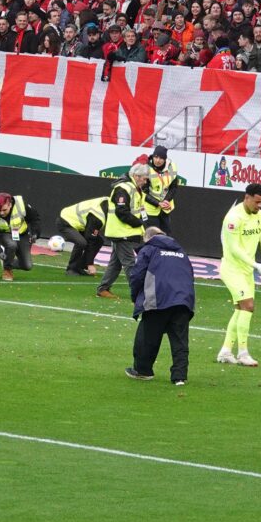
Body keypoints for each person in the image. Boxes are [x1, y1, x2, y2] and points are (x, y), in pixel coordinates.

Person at [125, 225, 194, 385]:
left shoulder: (149, 249)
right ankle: (180, 376)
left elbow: (137, 275)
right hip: (183, 300)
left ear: (147, 238)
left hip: (159, 298)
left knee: (147, 336)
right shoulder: (181, 252)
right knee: (180, 340)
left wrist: (135, 297)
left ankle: (143, 371)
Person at [216, 182, 261, 366]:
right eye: (257, 202)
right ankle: (243, 353)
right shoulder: (233, 218)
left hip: (247, 270)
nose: (259, 206)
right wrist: (256, 264)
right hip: (232, 269)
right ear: (247, 198)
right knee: (248, 306)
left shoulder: (260, 215)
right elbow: (234, 249)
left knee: (241, 309)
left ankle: (225, 351)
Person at [95, 163, 155, 300]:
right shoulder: (124, 188)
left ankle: (103, 288)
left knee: (115, 264)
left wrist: (141, 223)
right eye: (144, 179)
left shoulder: (133, 188)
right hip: (121, 232)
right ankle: (139, 292)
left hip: (124, 232)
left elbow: (138, 210)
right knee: (130, 264)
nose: (146, 182)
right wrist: (138, 222)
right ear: (136, 176)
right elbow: (121, 212)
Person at [0, 191, 40, 280]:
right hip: (4, 234)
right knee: (11, 245)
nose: (1, 213)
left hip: (22, 234)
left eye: (4, 210)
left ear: (10, 204)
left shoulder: (20, 205)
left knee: (27, 266)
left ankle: (7, 261)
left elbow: (35, 218)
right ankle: (7, 270)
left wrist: (35, 233)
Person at [57, 195, 106, 276]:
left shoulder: (107, 203)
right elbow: (90, 239)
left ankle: (80, 266)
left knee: (99, 241)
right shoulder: (98, 216)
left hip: (78, 225)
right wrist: (90, 264)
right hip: (65, 221)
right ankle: (71, 269)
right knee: (81, 242)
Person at [145, 145, 178, 232]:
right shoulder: (146, 168)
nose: (158, 160)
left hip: (165, 208)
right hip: (151, 209)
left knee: (166, 236)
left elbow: (173, 187)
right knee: (152, 237)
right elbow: (144, 193)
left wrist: (166, 200)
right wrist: (158, 203)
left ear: (165, 159)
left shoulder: (172, 167)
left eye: (161, 158)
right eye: (156, 157)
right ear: (153, 157)